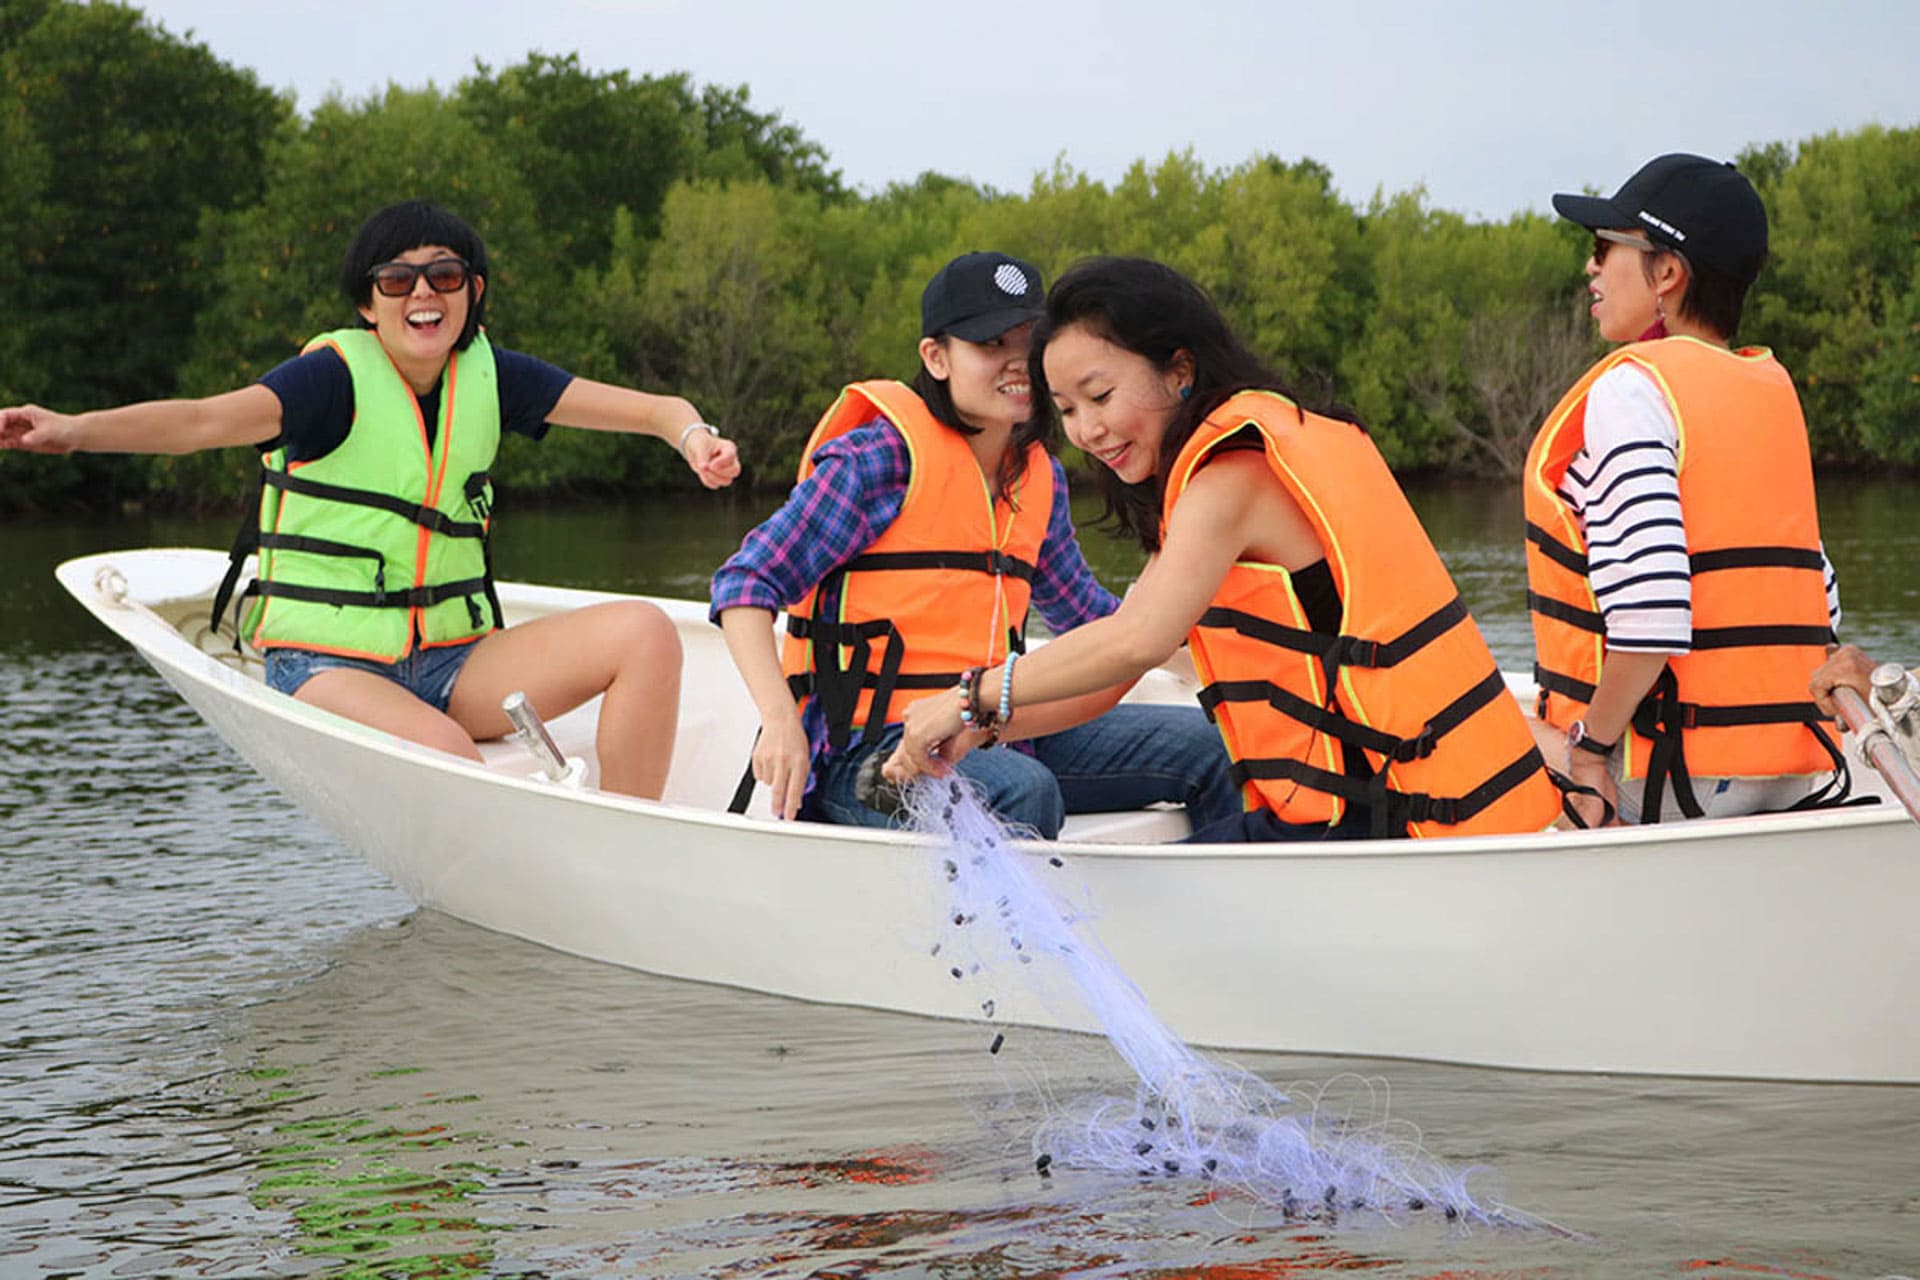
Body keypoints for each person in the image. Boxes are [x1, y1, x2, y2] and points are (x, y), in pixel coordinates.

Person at [0, 198, 740, 799]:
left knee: (645, 632)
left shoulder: (494, 376)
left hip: (454, 660)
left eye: (445, 276)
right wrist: (73, 430)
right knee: (450, 754)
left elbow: (654, 408)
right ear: (367, 303)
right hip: (329, 662)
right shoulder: (328, 381)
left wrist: (694, 439)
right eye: (397, 280)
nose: (423, 293)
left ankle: (631, 839)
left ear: (473, 293)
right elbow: (199, 421)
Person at [884, 256, 1562, 841]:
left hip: (1380, 826)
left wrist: (969, 698)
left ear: (1180, 369)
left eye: (1101, 395)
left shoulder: (1234, 474)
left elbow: (1135, 641)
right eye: (1064, 409)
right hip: (1384, 813)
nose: (1087, 429)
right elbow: (1111, 678)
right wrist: (989, 728)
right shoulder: (1217, 472)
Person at [711, 250, 1238, 838]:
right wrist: (779, 718)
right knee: (1020, 787)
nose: (1018, 364)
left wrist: (1201, 655)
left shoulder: (1038, 476)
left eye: (1029, 344)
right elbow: (745, 583)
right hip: (872, 754)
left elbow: (1088, 618)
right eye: (991, 345)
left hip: (992, 728)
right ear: (936, 358)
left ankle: (1231, 910)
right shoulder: (877, 461)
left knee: (1217, 743)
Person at [1523, 155, 1844, 825]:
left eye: (1603, 248)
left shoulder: (1633, 389)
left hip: (1671, 777)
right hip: (1790, 769)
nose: (1591, 267)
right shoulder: (1768, 390)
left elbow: (1650, 618)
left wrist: (1589, 751)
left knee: (1474, 723)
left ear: (1666, 273)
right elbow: (1822, 602)